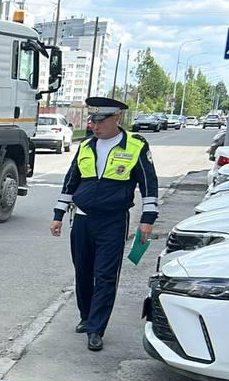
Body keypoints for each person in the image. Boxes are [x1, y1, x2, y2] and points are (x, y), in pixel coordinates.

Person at [49, 96, 159, 351]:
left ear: (116, 118)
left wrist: (147, 219)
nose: (94, 126)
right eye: (92, 121)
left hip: (112, 221)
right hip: (83, 219)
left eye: (100, 121)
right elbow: (71, 181)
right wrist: (58, 214)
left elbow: (149, 184)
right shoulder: (86, 146)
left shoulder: (135, 145)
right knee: (83, 271)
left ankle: (96, 328)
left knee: (106, 275)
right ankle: (86, 316)